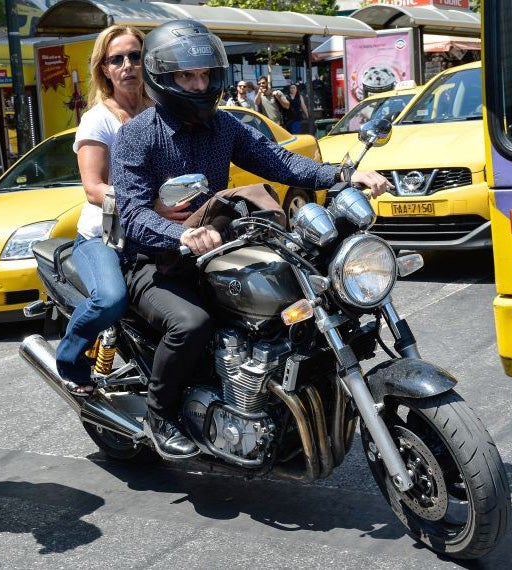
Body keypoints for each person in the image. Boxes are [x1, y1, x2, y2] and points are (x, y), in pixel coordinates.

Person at [111, 19, 393, 459]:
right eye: (188, 76)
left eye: (206, 75)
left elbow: (278, 160)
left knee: (288, 299)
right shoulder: (137, 135)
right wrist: (181, 234)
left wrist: (345, 174)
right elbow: (132, 215)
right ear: (164, 80)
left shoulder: (223, 127)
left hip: (217, 249)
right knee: (192, 325)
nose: (199, 84)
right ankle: (159, 413)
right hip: (155, 261)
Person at [54, 25, 172, 396]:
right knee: (111, 299)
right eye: (116, 59)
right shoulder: (98, 118)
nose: (127, 66)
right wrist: (140, 203)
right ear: (104, 69)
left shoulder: (162, 111)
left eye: (135, 56)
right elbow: (93, 189)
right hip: (103, 235)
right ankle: (70, 362)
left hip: (154, 228)